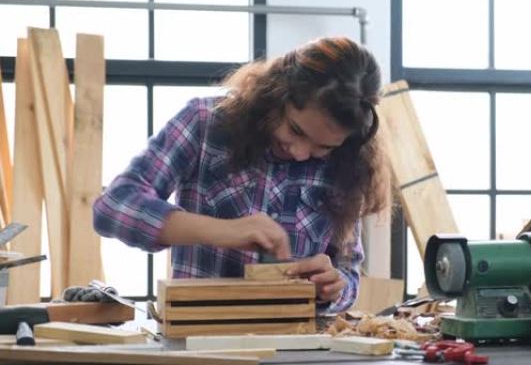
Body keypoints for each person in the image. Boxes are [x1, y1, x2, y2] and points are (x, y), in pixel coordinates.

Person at [93, 37, 389, 312]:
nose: (300, 152)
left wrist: (334, 287)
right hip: (200, 339)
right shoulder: (205, 123)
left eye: (322, 147)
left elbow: (349, 274)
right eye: (295, 130)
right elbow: (112, 207)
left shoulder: (347, 164)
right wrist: (224, 231)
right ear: (276, 94)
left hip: (295, 347)